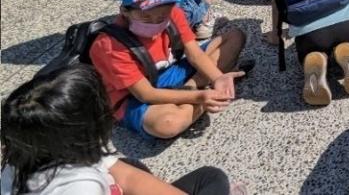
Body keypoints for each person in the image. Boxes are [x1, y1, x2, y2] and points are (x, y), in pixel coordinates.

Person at [0, 63, 243, 195]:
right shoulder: (80, 186)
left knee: (130, 167)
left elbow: (126, 174)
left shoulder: (25, 153)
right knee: (211, 180)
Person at [87, 0, 248, 140]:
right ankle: (205, 95)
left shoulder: (173, 14)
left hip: (168, 73)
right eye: (146, 17)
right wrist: (200, 96)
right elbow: (146, 94)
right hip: (133, 96)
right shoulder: (110, 46)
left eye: (161, 17)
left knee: (235, 37)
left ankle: (195, 88)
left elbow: (194, 53)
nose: (155, 22)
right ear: (125, 11)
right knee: (168, 124)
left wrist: (217, 78)